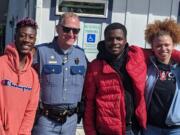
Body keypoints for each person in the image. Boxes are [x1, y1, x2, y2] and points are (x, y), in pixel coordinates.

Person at [83, 22, 147, 135]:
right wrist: (90, 132)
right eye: (110, 39)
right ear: (104, 40)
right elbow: (89, 103)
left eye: (119, 38)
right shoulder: (96, 67)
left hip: (134, 129)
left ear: (125, 40)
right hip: (107, 130)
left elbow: (161, 50)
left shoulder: (137, 56)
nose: (114, 43)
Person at [32, 12, 87, 135]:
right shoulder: (41, 52)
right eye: (67, 29)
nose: (71, 34)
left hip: (71, 121)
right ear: (57, 29)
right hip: (45, 120)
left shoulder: (81, 55)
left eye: (76, 31)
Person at [0, 18, 40, 135]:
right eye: (22, 35)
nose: (26, 40)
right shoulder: (1, 65)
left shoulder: (33, 76)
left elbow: (30, 111)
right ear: (15, 36)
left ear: (34, 41)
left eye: (31, 37)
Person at [143, 19, 180, 135]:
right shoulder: (147, 68)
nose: (163, 49)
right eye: (158, 45)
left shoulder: (179, 68)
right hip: (150, 127)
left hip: (175, 129)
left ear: (173, 45)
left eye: (167, 45)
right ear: (152, 47)